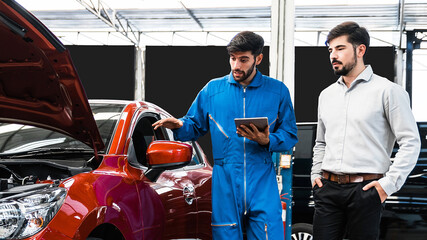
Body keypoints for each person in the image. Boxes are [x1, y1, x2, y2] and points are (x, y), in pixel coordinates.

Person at [153, 31, 297, 239]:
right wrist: (179, 125)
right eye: (233, 58)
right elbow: (194, 125)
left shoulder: (277, 91)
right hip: (225, 179)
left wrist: (268, 140)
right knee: (225, 234)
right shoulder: (212, 90)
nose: (236, 66)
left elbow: (290, 134)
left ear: (258, 59)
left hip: (262, 178)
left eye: (243, 59)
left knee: (269, 234)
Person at [311, 21, 421, 240]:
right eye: (330, 49)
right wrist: (316, 175)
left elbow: (411, 142)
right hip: (328, 190)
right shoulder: (326, 95)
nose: (333, 55)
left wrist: (386, 186)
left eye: (340, 48)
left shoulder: (389, 91)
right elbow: (321, 142)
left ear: (360, 50)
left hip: (366, 191)